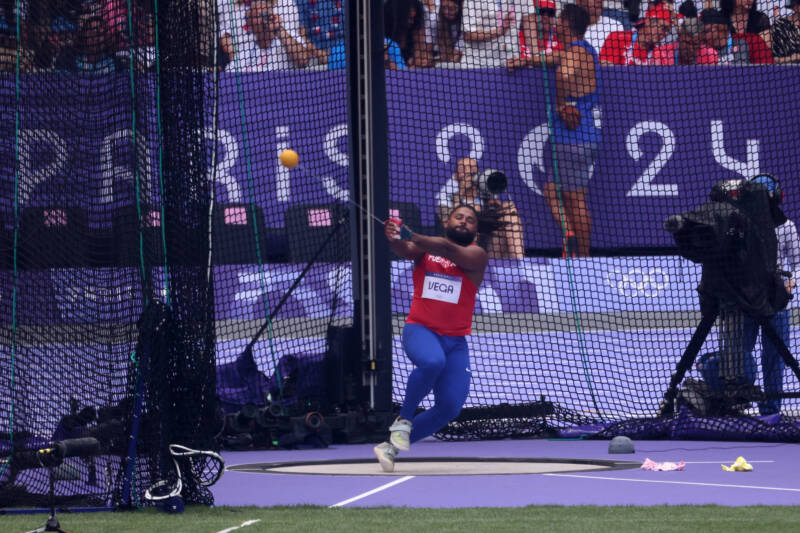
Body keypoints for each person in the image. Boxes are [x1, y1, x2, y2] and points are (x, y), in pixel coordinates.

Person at [374, 205, 506, 472]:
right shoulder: (426, 251)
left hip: (456, 342)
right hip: (420, 330)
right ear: (447, 221)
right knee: (432, 363)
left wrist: (413, 234)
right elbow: (404, 250)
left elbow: (447, 249)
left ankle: (390, 446)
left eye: (469, 221)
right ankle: (403, 421)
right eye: (459, 217)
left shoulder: (476, 255)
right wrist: (395, 238)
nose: (463, 222)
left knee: (449, 408)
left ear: (475, 232)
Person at [739, 175, 798, 415]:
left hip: (776, 302)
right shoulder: (742, 225)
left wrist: (793, 281)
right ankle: (739, 402)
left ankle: (770, 408)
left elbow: (797, 261)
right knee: (740, 351)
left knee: (774, 356)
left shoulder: (787, 227)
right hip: (747, 299)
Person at [546, 4, 600, 258]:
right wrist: (524, 60)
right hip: (582, 135)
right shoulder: (583, 50)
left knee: (576, 200)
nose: (555, 24)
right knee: (552, 190)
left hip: (573, 136)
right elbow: (554, 59)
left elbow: (563, 74)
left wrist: (560, 104)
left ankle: (584, 258)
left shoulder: (575, 52)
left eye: (558, 20)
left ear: (566, 23)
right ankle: (570, 237)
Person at [436, 157, 525, 258]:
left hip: (491, 251)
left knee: (508, 209)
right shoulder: (447, 198)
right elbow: (448, 225)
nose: (469, 172)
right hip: (462, 250)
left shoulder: (486, 197)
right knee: (473, 210)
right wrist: (460, 194)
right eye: (463, 169)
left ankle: (521, 262)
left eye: (472, 168)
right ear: (456, 177)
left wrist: (495, 210)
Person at [600, 3, 674, 64]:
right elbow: (606, 71)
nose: (663, 33)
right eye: (663, 28)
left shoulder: (658, 55)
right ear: (648, 21)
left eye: (667, 30)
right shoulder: (617, 38)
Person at [698, 7, 773, 63]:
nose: (702, 37)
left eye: (706, 32)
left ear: (719, 28)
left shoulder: (742, 45)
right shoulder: (701, 50)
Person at [460, 0, 520, 67]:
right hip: (475, 65)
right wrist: (500, 31)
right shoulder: (471, 1)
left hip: (503, 64)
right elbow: (468, 36)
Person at [653, 15, 719, 63]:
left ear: (701, 42)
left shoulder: (710, 55)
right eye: (687, 43)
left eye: (695, 44)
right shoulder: (660, 54)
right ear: (679, 37)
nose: (691, 49)